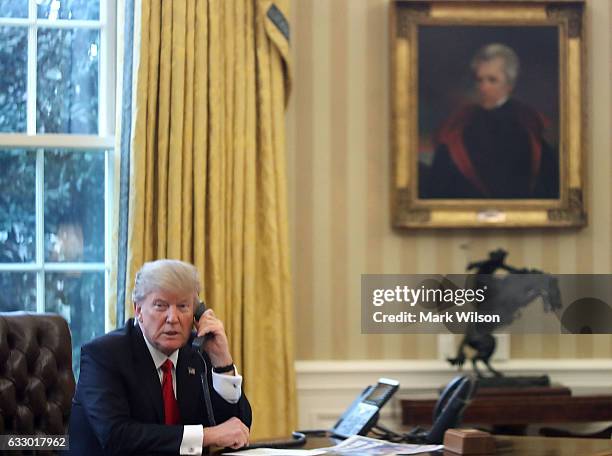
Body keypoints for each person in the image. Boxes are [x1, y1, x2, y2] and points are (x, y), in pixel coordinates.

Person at [68, 259, 252, 455]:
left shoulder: (197, 353)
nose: (173, 318)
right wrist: (205, 436)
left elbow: (236, 428)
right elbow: (117, 436)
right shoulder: (104, 355)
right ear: (138, 310)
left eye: (183, 306)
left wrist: (222, 362)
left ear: (196, 313)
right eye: (161, 306)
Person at [423, 43, 559, 199]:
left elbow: (548, 184)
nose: (483, 87)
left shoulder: (528, 123)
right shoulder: (459, 124)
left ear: (510, 84)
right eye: (479, 80)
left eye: (492, 80)